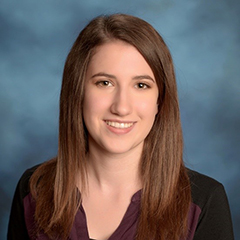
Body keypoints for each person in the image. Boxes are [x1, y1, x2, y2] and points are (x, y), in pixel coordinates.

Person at [7, 14, 234, 240]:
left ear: (160, 101)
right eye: (105, 83)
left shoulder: (203, 202)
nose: (121, 107)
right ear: (77, 92)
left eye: (141, 85)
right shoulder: (35, 190)